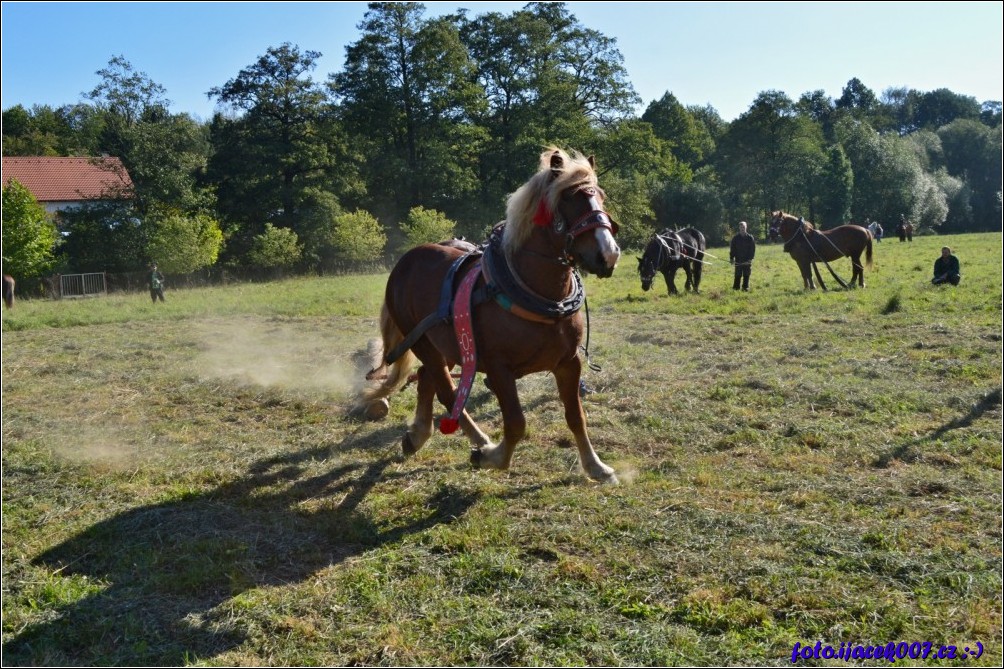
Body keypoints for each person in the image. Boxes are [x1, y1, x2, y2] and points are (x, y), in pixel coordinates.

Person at [729, 220, 756, 291]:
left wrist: (750, 259)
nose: (742, 229)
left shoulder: (750, 238)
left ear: (746, 227)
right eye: (741, 227)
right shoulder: (735, 238)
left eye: (743, 227)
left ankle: (745, 287)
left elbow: (752, 249)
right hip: (738, 259)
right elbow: (732, 249)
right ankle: (736, 288)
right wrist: (731, 258)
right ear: (739, 228)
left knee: (746, 274)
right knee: (738, 274)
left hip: (747, 260)